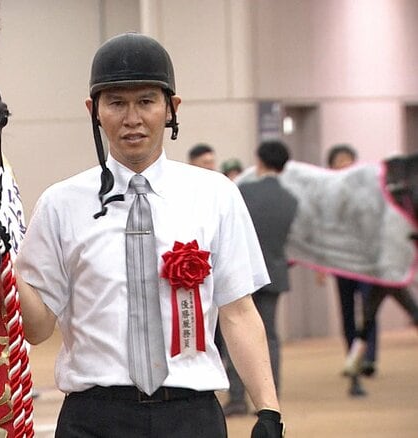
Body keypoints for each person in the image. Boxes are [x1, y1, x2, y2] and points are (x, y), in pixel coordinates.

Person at [15, 32, 283, 437]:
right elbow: (37, 329)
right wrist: (2, 263)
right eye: (116, 103)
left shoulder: (216, 195)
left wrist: (268, 411)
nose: (132, 118)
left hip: (191, 417)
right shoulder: (59, 205)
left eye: (146, 101)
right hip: (93, 419)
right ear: (94, 111)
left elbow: (238, 311)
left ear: (171, 108)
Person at [222, 141, 298, 417]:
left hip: (242, 271)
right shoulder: (291, 199)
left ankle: (238, 397)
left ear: (260, 160)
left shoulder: (243, 191)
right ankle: (268, 400)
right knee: (271, 336)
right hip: (275, 272)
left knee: (236, 327)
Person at [322, 143, 378, 396]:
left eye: (348, 160)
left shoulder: (369, 190)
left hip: (367, 263)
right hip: (341, 263)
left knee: (368, 310)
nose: (344, 165)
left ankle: (368, 358)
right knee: (347, 315)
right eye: (339, 161)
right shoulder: (327, 194)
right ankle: (353, 360)